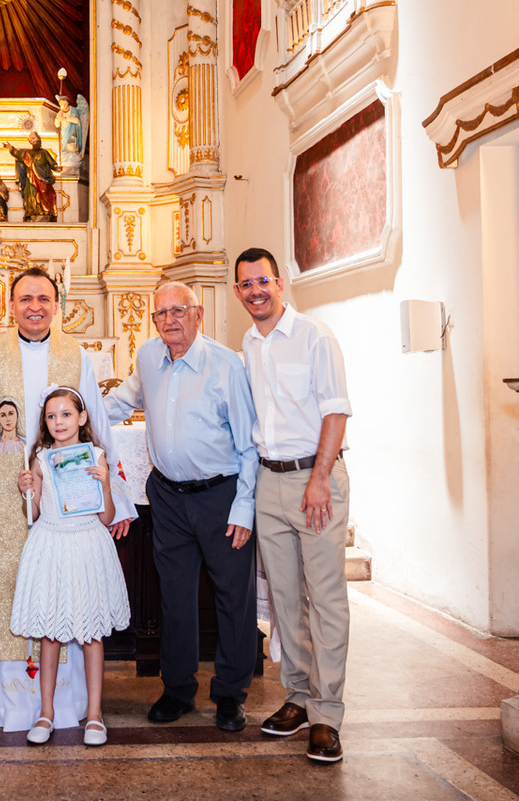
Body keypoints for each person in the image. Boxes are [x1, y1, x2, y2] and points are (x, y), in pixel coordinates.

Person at [0, 266, 136, 733]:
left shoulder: (74, 355)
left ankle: (74, 704)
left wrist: (114, 498)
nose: (34, 307)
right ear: (10, 306)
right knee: (10, 591)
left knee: (70, 599)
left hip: (72, 522)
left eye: (43, 298)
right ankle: (16, 705)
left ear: (56, 305)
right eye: (25, 299)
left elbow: (98, 426)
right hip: (8, 508)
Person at [104, 281, 260, 733]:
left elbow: (249, 443)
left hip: (220, 496)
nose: (169, 320)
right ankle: (177, 690)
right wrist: (72, 409)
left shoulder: (227, 365)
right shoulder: (149, 356)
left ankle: (231, 694)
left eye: (179, 311)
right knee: (174, 597)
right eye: (161, 313)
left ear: (199, 313)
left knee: (233, 598)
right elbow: (123, 400)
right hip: (168, 496)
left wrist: (243, 507)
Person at [234, 247, 353, 764]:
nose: (255, 291)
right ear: (238, 292)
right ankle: (299, 697)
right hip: (270, 479)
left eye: (263, 281)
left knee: (324, 598)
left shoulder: (314, 336)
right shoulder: (250, 341)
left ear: (279, 283)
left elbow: (335, 410)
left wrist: (321, 478)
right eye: (245, 285)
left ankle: (327, 714)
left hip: (314, 478)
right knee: (285, 600)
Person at [11, 387, 130, 747]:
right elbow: (31, 516)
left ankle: (94, 714)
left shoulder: (96, 456)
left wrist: (105, 484)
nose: (58, 422)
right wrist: (26, 490)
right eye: (51, 416)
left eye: (65, 414)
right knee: (50, 632)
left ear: (81, 418)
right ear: (45, 423)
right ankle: (45, 711)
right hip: (51, 544)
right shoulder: (42, 459)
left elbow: (106, 516)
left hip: (87, 543)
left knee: (92, 633)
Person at [3, 132, 58, 222]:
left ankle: (46, 211)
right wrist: (11, 148)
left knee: (43, 193)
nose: (33, 141)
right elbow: (18, 154)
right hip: (31, 178)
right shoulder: (28, 153)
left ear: (39, 139)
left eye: (34, 138)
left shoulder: (44, 153)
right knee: (32, 194)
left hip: (43, 177)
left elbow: (52, 163)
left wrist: (57, 168)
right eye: (31, 140)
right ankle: (34, 212)